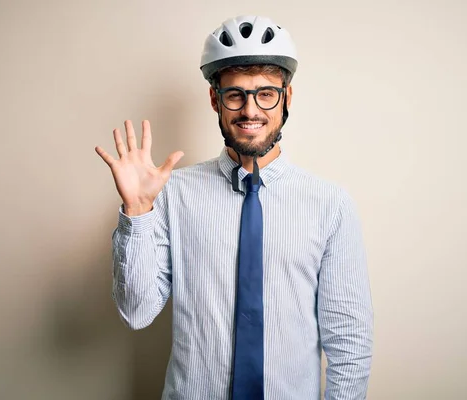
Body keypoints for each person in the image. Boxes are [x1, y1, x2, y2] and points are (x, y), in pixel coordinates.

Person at [95, 15, 373, 400]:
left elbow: (349, 343)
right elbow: (137, 312)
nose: (250, 110)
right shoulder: (172, 193)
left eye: (266, 93)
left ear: (287, 97)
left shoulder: (330, 205)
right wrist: (138, 210)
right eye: (235, 94)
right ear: (215, 99)